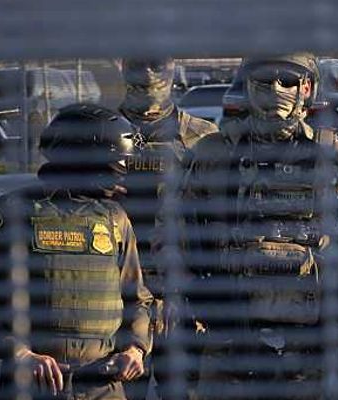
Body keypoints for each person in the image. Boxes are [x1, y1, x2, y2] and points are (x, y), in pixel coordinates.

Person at [181, 52, 338, 400]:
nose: (275, 89)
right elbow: (175, 230)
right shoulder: (212, 155)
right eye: (264, 81)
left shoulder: (336, 158)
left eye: (288, 81)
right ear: (248, 88)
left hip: (309, 351)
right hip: (230, 346)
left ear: (306, 88)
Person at [0, 103, 154, 399]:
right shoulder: (10, 212)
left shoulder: (115, 219)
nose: (121, 175)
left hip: (103, 386)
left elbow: (138, 299)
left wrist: (136, 348)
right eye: (115, 165)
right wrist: (20, 354)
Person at [117, 57, 218, 400]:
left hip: (184, 301)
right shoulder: (98, 134)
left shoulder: (203, 140)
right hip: (118, 303)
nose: (147, 72)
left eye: (156, 62)